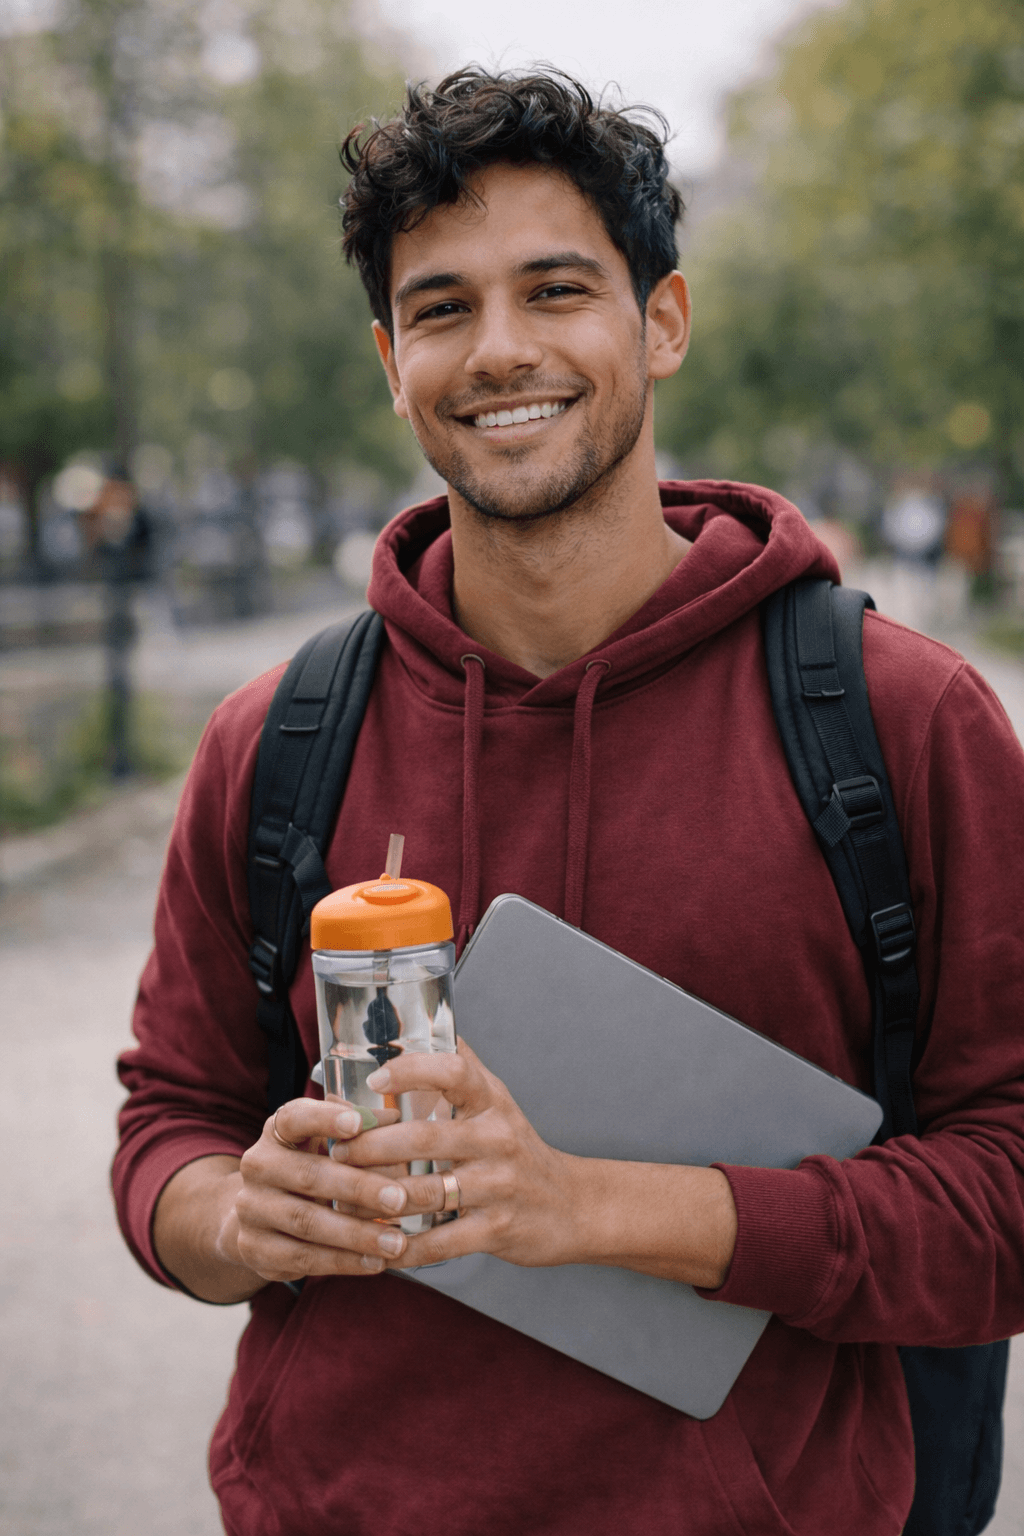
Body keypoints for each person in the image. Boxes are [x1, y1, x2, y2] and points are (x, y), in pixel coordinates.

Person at [113, 69, 1024, 1535]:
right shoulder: (273, 741)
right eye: (441, 308)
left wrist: (586, 1208)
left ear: (661, 322)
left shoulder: (902, 723)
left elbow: (1004, 1195)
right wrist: (232, 1218)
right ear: (389, 362)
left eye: (556, 289)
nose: (501, 350)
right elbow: (172, 1120)